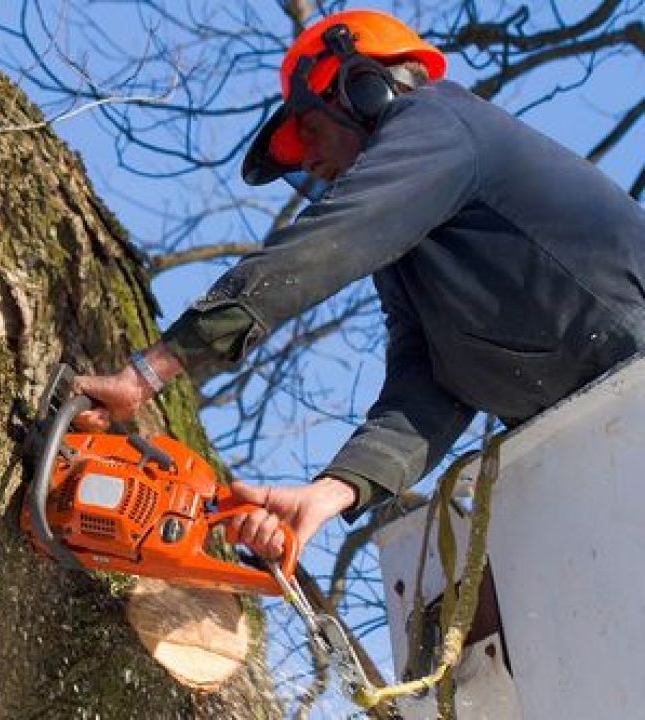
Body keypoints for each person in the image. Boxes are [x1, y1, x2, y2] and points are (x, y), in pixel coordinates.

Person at [74, 9, 645, 558]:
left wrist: (149, 371)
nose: (314, 163)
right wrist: (329, 493)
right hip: (597, 433)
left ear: (365, 88)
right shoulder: (413, 259)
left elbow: (325, 245)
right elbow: (428, 391)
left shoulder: (440, 121)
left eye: (312, 132)